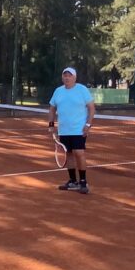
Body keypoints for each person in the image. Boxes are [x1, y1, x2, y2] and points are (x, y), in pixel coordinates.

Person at [47, 66, 96, 194]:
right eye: (65, 75)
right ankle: (73, 181)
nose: (67, 77)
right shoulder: (58, 91)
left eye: (69, 75)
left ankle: (83, 182)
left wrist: (88, 125)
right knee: (69, 154)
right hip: (64, 130)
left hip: (78, 129)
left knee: (79, 153)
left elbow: (91, 108)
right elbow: (52, 108)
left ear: (75, 77)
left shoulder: (82, 90)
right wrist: (51, 124)